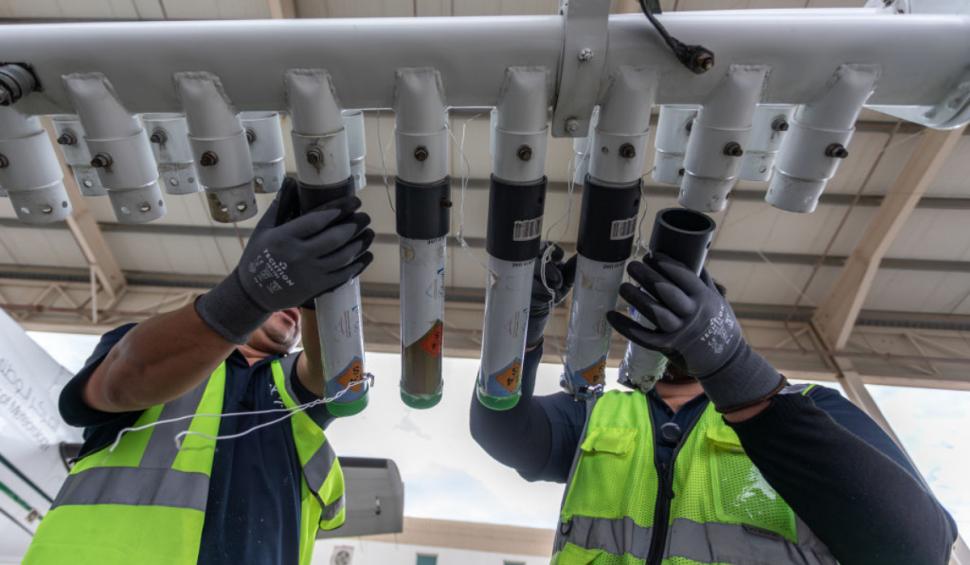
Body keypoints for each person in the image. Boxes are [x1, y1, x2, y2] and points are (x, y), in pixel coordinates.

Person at [471, 245, 958, 565]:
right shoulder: (597, 413)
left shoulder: (807, 409)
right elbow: (504, 432)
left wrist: (734, 368)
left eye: (691, 313)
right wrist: (519, 333)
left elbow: (918, 550)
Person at [23, 179, 375, 565]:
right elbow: (124, 379)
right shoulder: (161, 350)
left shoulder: (291, 389)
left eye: (296, 303)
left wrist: (322, 296)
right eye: (280, 297)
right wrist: (247, 293)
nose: (288, 304)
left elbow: (336, 374)